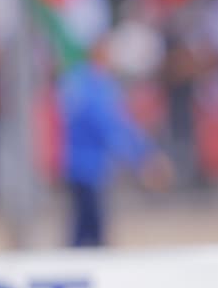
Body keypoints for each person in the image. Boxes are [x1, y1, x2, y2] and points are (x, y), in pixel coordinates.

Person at [58, 36, 172, 247]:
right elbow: (113, 128)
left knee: (83, 226)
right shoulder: (97, 86)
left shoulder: (77, 82)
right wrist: (143, 158)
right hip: (90, 168)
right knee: (91, 229)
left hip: (77, 165)